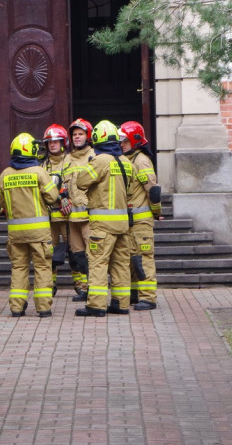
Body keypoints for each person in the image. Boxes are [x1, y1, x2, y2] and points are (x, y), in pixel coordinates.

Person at [74, 120, 139, 317]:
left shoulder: (101, 160)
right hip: (122, 224)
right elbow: (130, 188)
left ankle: (96, 305)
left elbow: (81, 182)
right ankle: (120, 303)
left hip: (102, 225)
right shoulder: (127, 163)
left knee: (98, 262)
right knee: (120, 264)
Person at [0, 132, 59, 318]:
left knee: (18, 268)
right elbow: (53, 197)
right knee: (42, 267)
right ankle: (43, 308)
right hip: (39, 233)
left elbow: (0, 202)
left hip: (16, 234)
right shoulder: (39, 172)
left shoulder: (5, 174)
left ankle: (16, 307)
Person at [119, 121, 162, 311]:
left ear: (135, 140)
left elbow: (153, 191)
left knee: (143, 257)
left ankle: (148, 298)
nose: (122, 143)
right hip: (129, 220)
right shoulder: (127, 159)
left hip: (141, 221)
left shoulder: (141, 161)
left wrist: (157, 212)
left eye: (125, 140)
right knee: (131, 258)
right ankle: (135, 293)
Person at [61, 118, 95, 301]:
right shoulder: (67, 158)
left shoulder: (94, 156)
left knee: (92, 254)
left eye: (80, 134)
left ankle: (93, 288)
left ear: (87, 136)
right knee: (77, 254)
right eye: (74, 135)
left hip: (90, 216)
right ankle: (83, 289)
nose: (77, 137)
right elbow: (62, 183)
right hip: (72, 216)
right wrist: (63, 196)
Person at [41, 124, 70, 293]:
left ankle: (81, 286)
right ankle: (50, 284)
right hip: (48, 216)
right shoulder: (42, 164)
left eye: (56, 141)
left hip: (67, 216)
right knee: (48, 251)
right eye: (49, 142)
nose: (52, 145)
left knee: (74, 251)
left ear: (62, 142)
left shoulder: (70, 161)